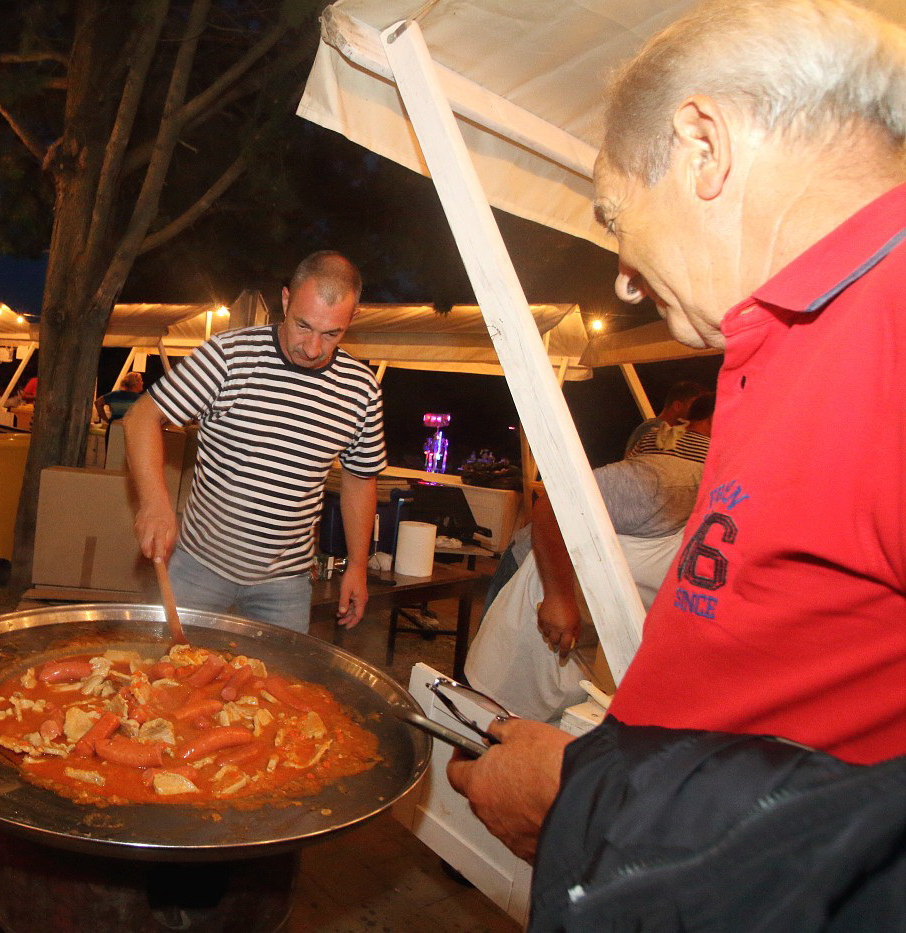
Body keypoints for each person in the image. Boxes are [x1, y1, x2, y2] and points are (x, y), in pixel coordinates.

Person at [448, 0, 906, 882]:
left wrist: (587, 798)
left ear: (705, 145)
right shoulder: (789, 345)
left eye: (616, 217)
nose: (622, 281)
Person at [125, 251, 386, 634]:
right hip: (199, 567)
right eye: (303, 326)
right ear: (285, 299)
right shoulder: (228, 357)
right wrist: (155, 504)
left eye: (332, 333)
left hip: (285, 584)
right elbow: (142, 416)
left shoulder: (361, 389)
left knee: (277, 685)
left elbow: (361, 479)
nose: (313, 348)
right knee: (168, 675)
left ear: (353, 319)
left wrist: (359, 567)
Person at [465, 395, 713, 722]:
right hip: (543, 581)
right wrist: (559, 596)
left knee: (551, 721)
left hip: (590, 618)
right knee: (490, 709)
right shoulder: (666, 483)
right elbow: (554, 508)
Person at [622, 379, 704, 456]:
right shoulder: (652, 429)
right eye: (694, 407)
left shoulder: (664, 430)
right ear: (678, 406)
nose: (697, 412)